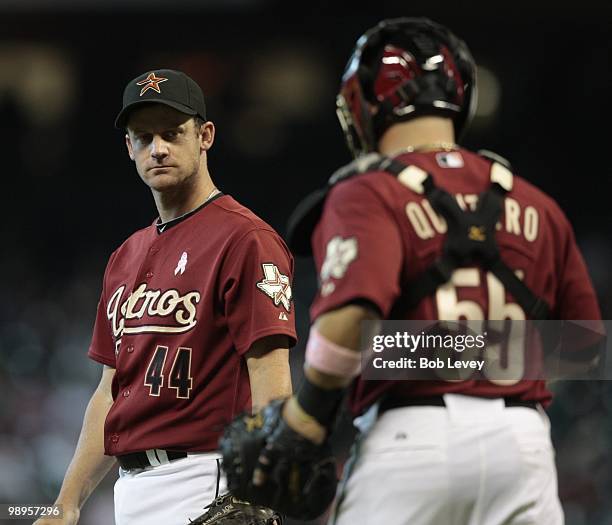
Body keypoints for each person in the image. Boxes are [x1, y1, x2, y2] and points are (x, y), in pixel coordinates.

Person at [222, 17, 602, 524]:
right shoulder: (538, 204)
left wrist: (305, 418)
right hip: (523, 447)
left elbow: (349, 322)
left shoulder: (367, 190)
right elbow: (583, 346)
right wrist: (471, 350)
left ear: (363, 106)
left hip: (414, 440)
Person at [34, 69, 296, 525]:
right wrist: (67, 502)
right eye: (144, 137)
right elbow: (110, 392)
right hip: (131, 490)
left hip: (209, 480)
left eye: (173, 133)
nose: (158, 148)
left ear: (205, 135)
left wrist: (263, 486)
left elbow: (270, 376)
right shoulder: (125, 255)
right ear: (129, 148)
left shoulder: (245, 238)